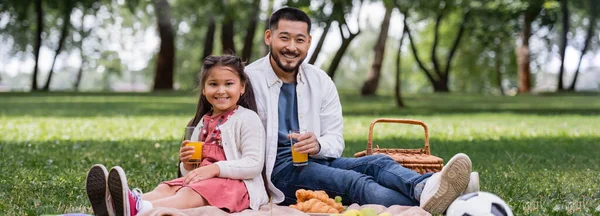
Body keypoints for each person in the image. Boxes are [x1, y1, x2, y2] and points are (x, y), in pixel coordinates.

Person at [245, 7, 479, 214]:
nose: (291, 47)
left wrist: (318, 145)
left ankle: (427, 186)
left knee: (379, 162)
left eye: (299, 40)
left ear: (309, 42)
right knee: (356, 182)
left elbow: (335, 140)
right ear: (269, 37)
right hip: (277, 173)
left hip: (316, 161)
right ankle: (450, 201)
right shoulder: (249, 80)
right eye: (284, 38)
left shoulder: (320, 80)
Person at [85, 55, 269, 216]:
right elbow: (193, 170)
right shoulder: (203, 122)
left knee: (188, 194)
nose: (221, 90)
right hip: (203, 181)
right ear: (204, 89)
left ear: (242, 87)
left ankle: (138, 209)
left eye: (229, 84)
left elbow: (253, 163)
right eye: (213, 84)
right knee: (166, 188)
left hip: (235, 186)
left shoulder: (247, 118)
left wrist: (214, 169)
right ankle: (122, 204)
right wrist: (187, 165)